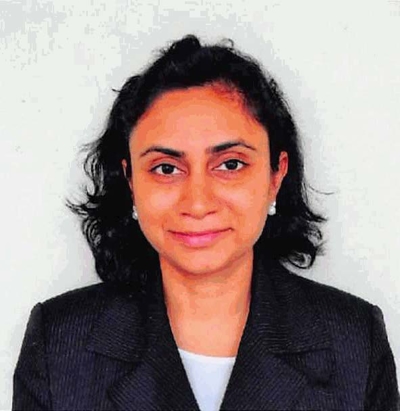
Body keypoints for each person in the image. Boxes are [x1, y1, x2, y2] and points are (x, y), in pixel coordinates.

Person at [13, 34, 399, 411]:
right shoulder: (59, 344)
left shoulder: (353, 341)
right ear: (130, 181)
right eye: (166, 168)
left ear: (276, 175)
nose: (197, 204)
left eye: (230, 164)